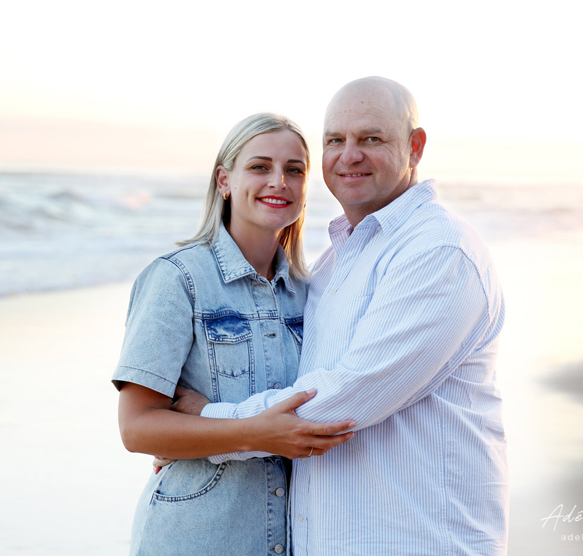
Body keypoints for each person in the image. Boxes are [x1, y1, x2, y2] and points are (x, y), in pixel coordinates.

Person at [174, 77, 509, 555]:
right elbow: (294, 385)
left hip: (415, 540)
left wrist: (206, 429)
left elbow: (342, 400)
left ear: (414, 147)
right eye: (334, 140)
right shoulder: (332, 264)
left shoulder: (439, 251)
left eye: (371, 138)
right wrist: (192, 442)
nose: (349, 155)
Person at [111, 112, 355, 556]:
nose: (278, 181)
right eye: (260, 167)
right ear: (224, 181)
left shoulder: (312, 293)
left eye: (294, 170)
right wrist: (251, 433)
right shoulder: (178, 279)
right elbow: (137, 428)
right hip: (195, 537)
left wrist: (208, 416)